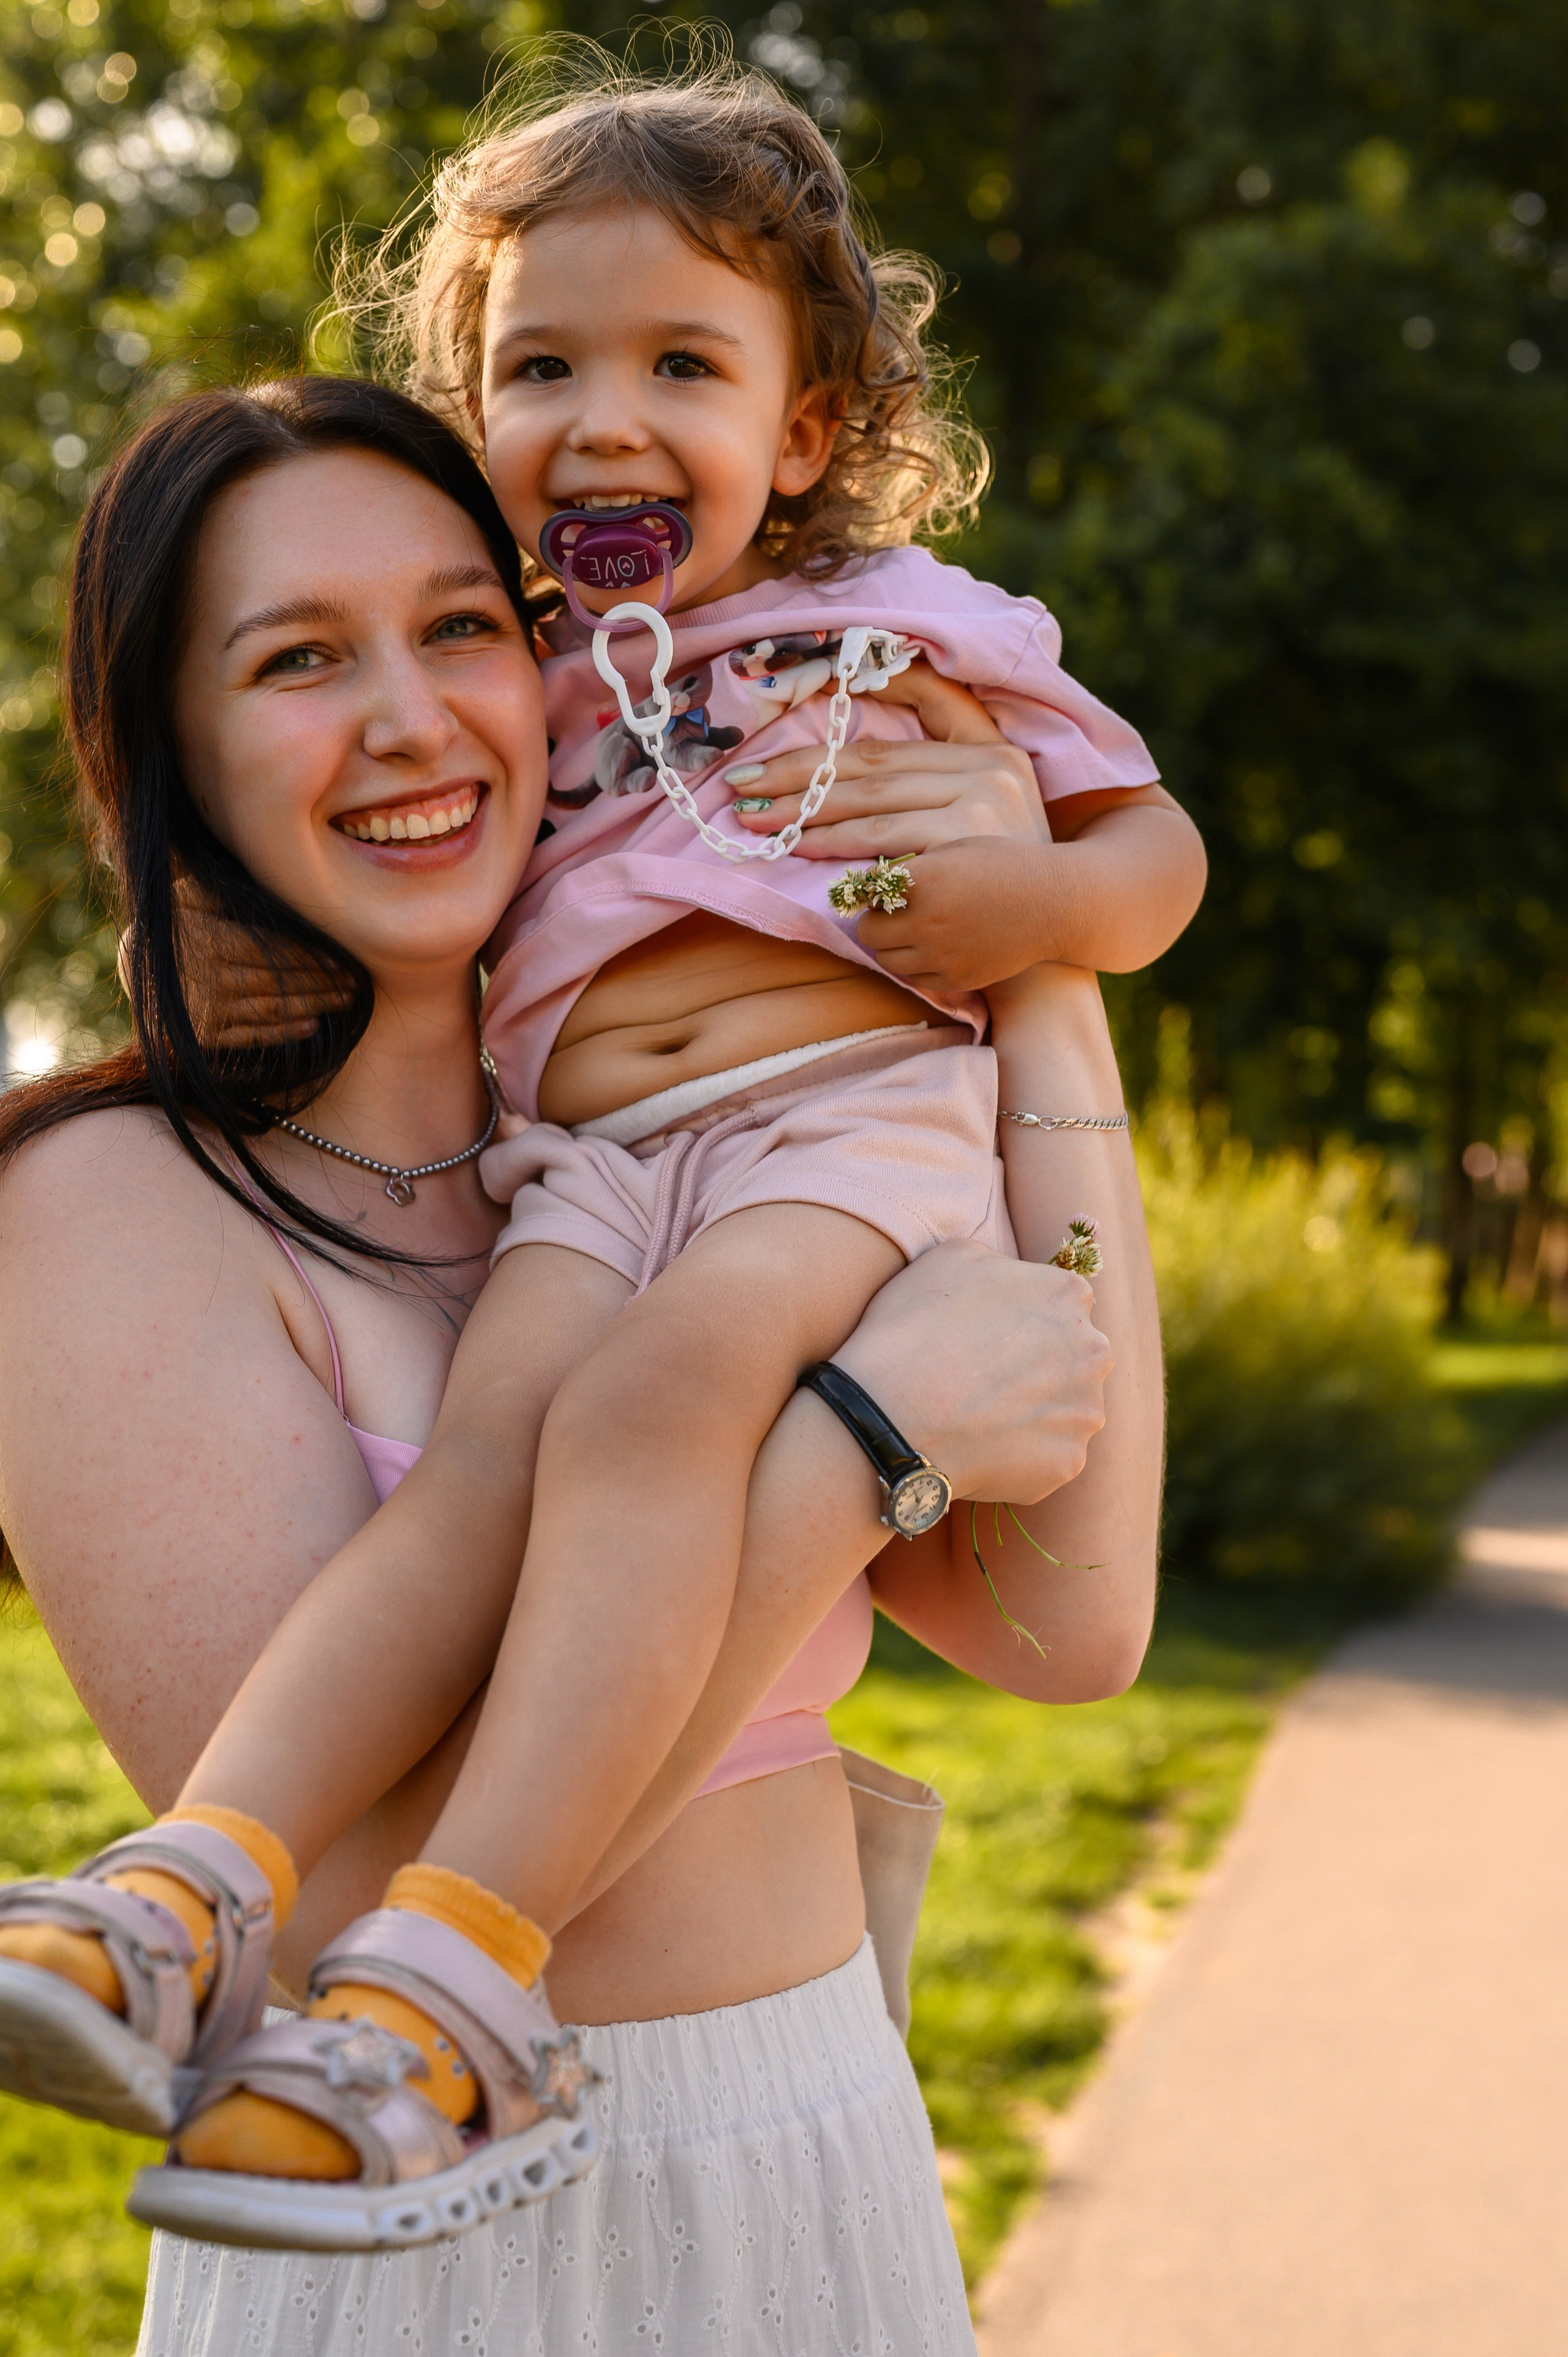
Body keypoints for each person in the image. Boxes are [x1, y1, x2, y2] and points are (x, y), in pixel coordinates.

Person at [0, 72, 1188, 2267]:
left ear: (802, 429)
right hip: (381, 2172)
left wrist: (1030, 965)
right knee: (504, 1463)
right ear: (165, 752)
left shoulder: (893, 648)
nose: (421, 717)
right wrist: (873, 1441)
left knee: (614, 1421)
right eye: (293, 661)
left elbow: (1077, 1625)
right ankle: (179, 1904)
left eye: (455, 630)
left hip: (805, 2139)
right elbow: (356, 1885)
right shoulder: (105, 1211)